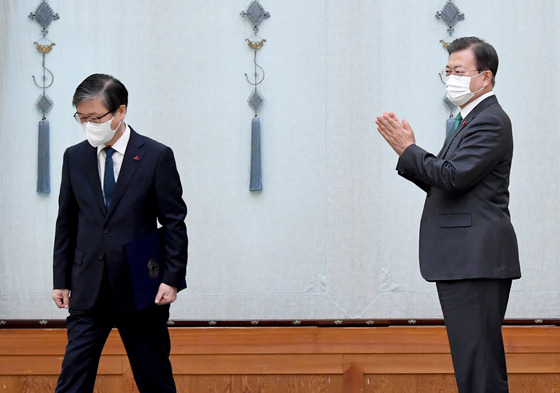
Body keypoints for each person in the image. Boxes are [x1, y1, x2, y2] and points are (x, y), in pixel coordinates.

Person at [376, 37, 521, 393]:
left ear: (485, 78)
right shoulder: (468, 121)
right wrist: (411, 156)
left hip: (476, 258)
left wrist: (409, 150)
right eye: (447, 72)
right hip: (465, 259)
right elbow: (448, 181)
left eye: (459, 72)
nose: (451, 80)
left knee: (480, 367)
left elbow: (453, 177)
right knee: (473, 364)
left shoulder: (490, 121)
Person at [52, 73, 188, 393]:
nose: (88, 125)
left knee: (153, 376)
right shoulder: (75, 157)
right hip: (88, 286)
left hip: (141, 285)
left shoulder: (156, 156)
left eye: (95, 117)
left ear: (120, 112)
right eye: (81, 118)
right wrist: (61, 279)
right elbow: (66, 221)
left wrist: (171, 277)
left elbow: (174, 222)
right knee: (72, 379)